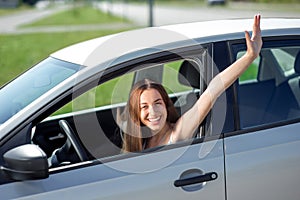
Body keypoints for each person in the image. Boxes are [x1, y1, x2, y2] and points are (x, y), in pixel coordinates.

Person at [120, 14, 262, 153]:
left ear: (166, 106)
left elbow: (212, 90)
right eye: (144, 106)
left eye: (158, 103)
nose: (153, 111)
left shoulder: (177, 133)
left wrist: (250, 56)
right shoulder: (141, 140)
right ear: (137, 113)